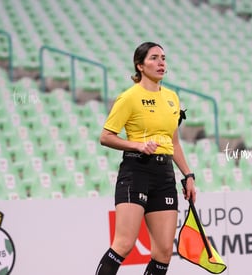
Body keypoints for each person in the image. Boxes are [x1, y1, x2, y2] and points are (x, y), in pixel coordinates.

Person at [95, 42, 197, 275]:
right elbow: (106, 137)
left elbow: (175, 142)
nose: (161, 62)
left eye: (163, 58)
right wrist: (137, 145)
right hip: (136, 171)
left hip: (165, 175)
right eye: (154, 58)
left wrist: (188, 175)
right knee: (124, 244)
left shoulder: (172, 98)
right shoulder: (129, 97)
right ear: (140, 65)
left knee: (162, 253)